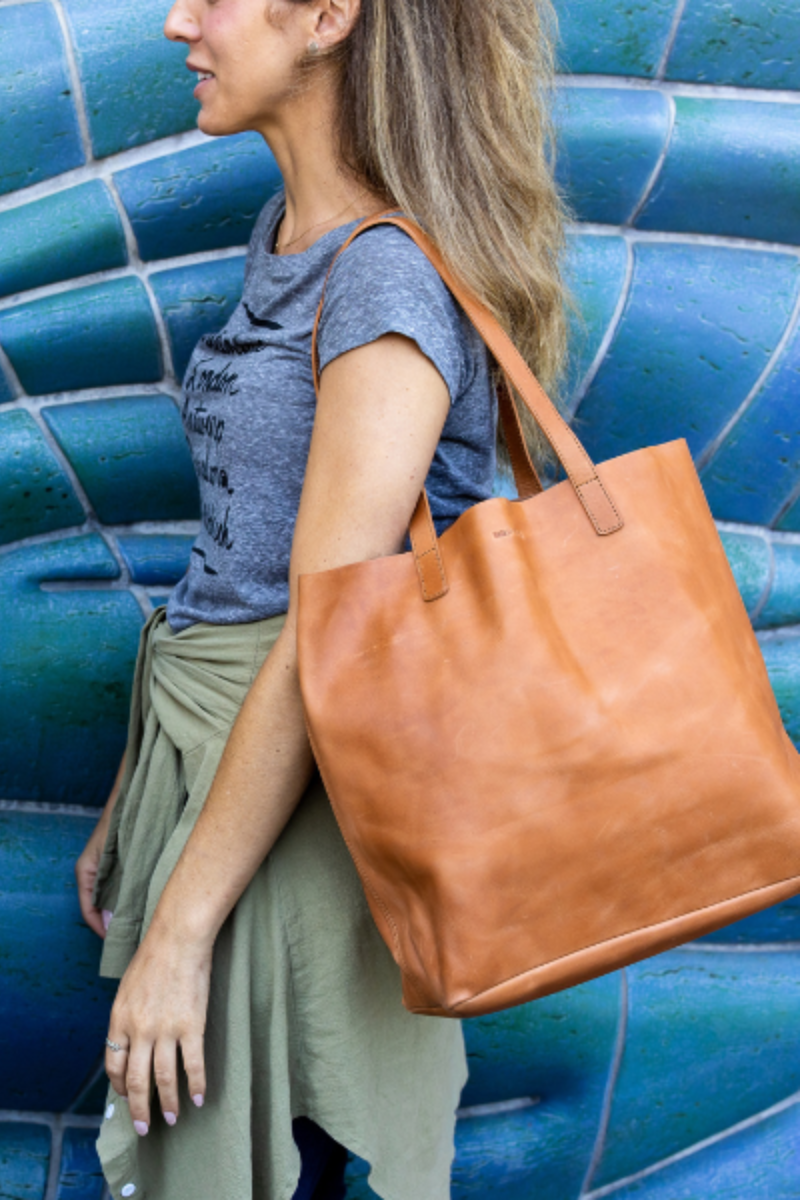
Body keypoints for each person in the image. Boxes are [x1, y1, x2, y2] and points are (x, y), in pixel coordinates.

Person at [74, 0, 572, 1196]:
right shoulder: (293, 236)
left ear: (329, 19)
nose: (178, 21)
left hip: (301, 816)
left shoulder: (382, 282)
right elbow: (242, 567)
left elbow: (325, 635)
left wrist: (184, 929)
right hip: (222, 783)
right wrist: (137, 799)